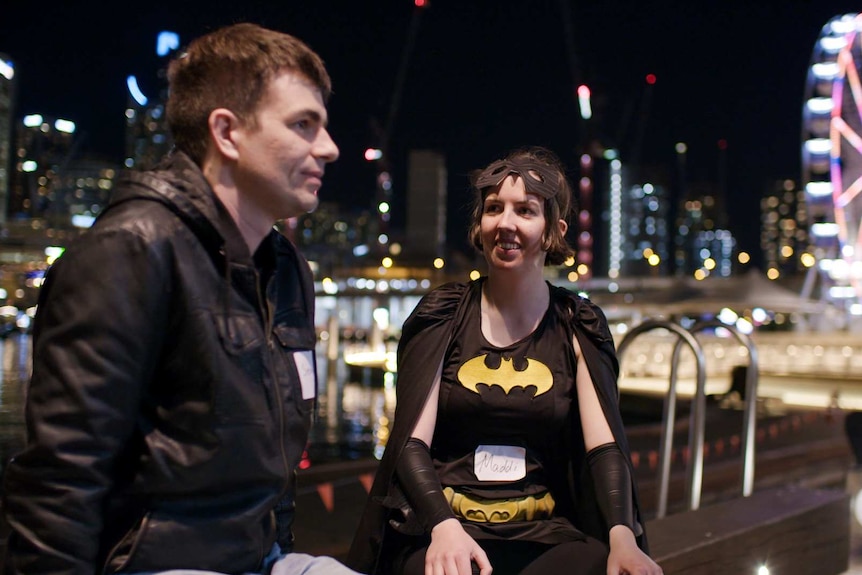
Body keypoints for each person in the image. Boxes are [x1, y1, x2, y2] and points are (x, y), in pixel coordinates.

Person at [0, 22, 362, 575]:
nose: (329, 148)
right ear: (227, 132)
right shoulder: (130, 252)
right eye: (303, 126)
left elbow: (278, 471)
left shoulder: (286, 269)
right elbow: (59, 482)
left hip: (260, 559)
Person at [347, 146, 662, 575]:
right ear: (479, 225)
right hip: (446, 528)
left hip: (543, 530)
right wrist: (442, 526)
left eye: (526, 211)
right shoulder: (444, 315)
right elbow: (410, 442)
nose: (506, 223)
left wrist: (622, 535)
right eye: (494, 208)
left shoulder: (576, 325)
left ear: (554, 230)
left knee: (596, 566)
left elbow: (604, 447)